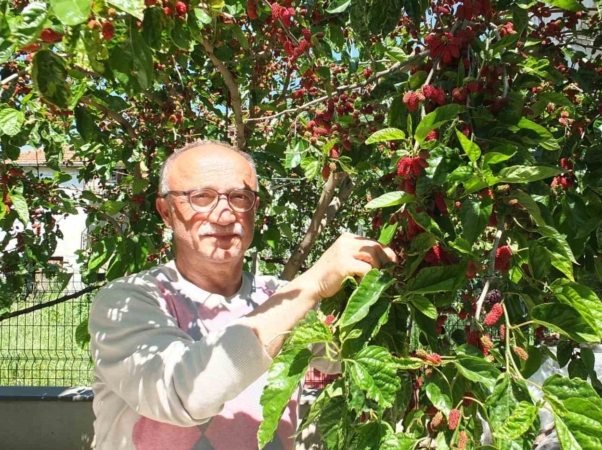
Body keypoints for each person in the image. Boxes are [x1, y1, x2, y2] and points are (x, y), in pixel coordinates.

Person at [88, 140, 397, 450]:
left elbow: (348, 355)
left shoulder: (278, 296)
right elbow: (185, 393)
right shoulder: (128, 302)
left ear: (255, 209)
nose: (224, 215)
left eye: (239, 197)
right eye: (201, 197)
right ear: (166, 211)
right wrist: (312, 282)